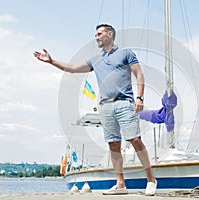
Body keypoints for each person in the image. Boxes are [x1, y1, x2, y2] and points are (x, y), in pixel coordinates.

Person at [33, 24, 157, 196]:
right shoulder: (95, 60)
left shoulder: (126, 53)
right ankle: (120, 184)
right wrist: (52, 61)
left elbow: (139, 74)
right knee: (113, 144)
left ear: (110, 34)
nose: (96, 37)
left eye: (99, 34)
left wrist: (140, 97)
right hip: (105, 105)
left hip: (124, 102)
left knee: (135, 140)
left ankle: (151, 179)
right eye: (95, 34)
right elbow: (73, 68)